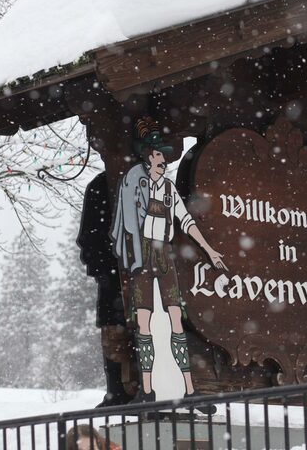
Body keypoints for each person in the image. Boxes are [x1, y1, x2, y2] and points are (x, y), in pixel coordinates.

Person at [111, 117, 226, 407]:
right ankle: (148, 389)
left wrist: (209, 250)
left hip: (164, 255)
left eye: (163, 157)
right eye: (159, 157)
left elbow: (186, 220)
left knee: (176, 318)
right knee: (144, 322)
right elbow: (128, 224)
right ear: (148, 159)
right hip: (144, 255)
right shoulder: (135, 184)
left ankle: (188, 387)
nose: (163, 162)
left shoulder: (169, 189)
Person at [77, 172, 136, 407]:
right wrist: (107, 270)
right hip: (117, 283)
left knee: (124, 333)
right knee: (116, 336)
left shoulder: (153, 184)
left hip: (133, 280)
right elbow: (89, 240)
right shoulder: (104, 185)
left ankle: (123, 390)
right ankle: (119, 390)